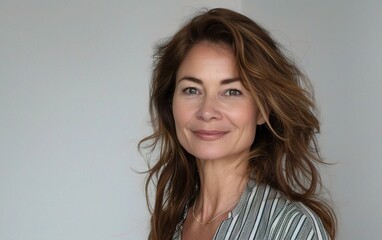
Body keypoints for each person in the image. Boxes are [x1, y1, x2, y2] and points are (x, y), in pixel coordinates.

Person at [139, 8, 337, 240]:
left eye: (232, 91)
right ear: (170, 104)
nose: (207, 111)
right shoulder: (169, 223)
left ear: (263, 109)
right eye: (191, 90)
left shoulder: (292, 227)